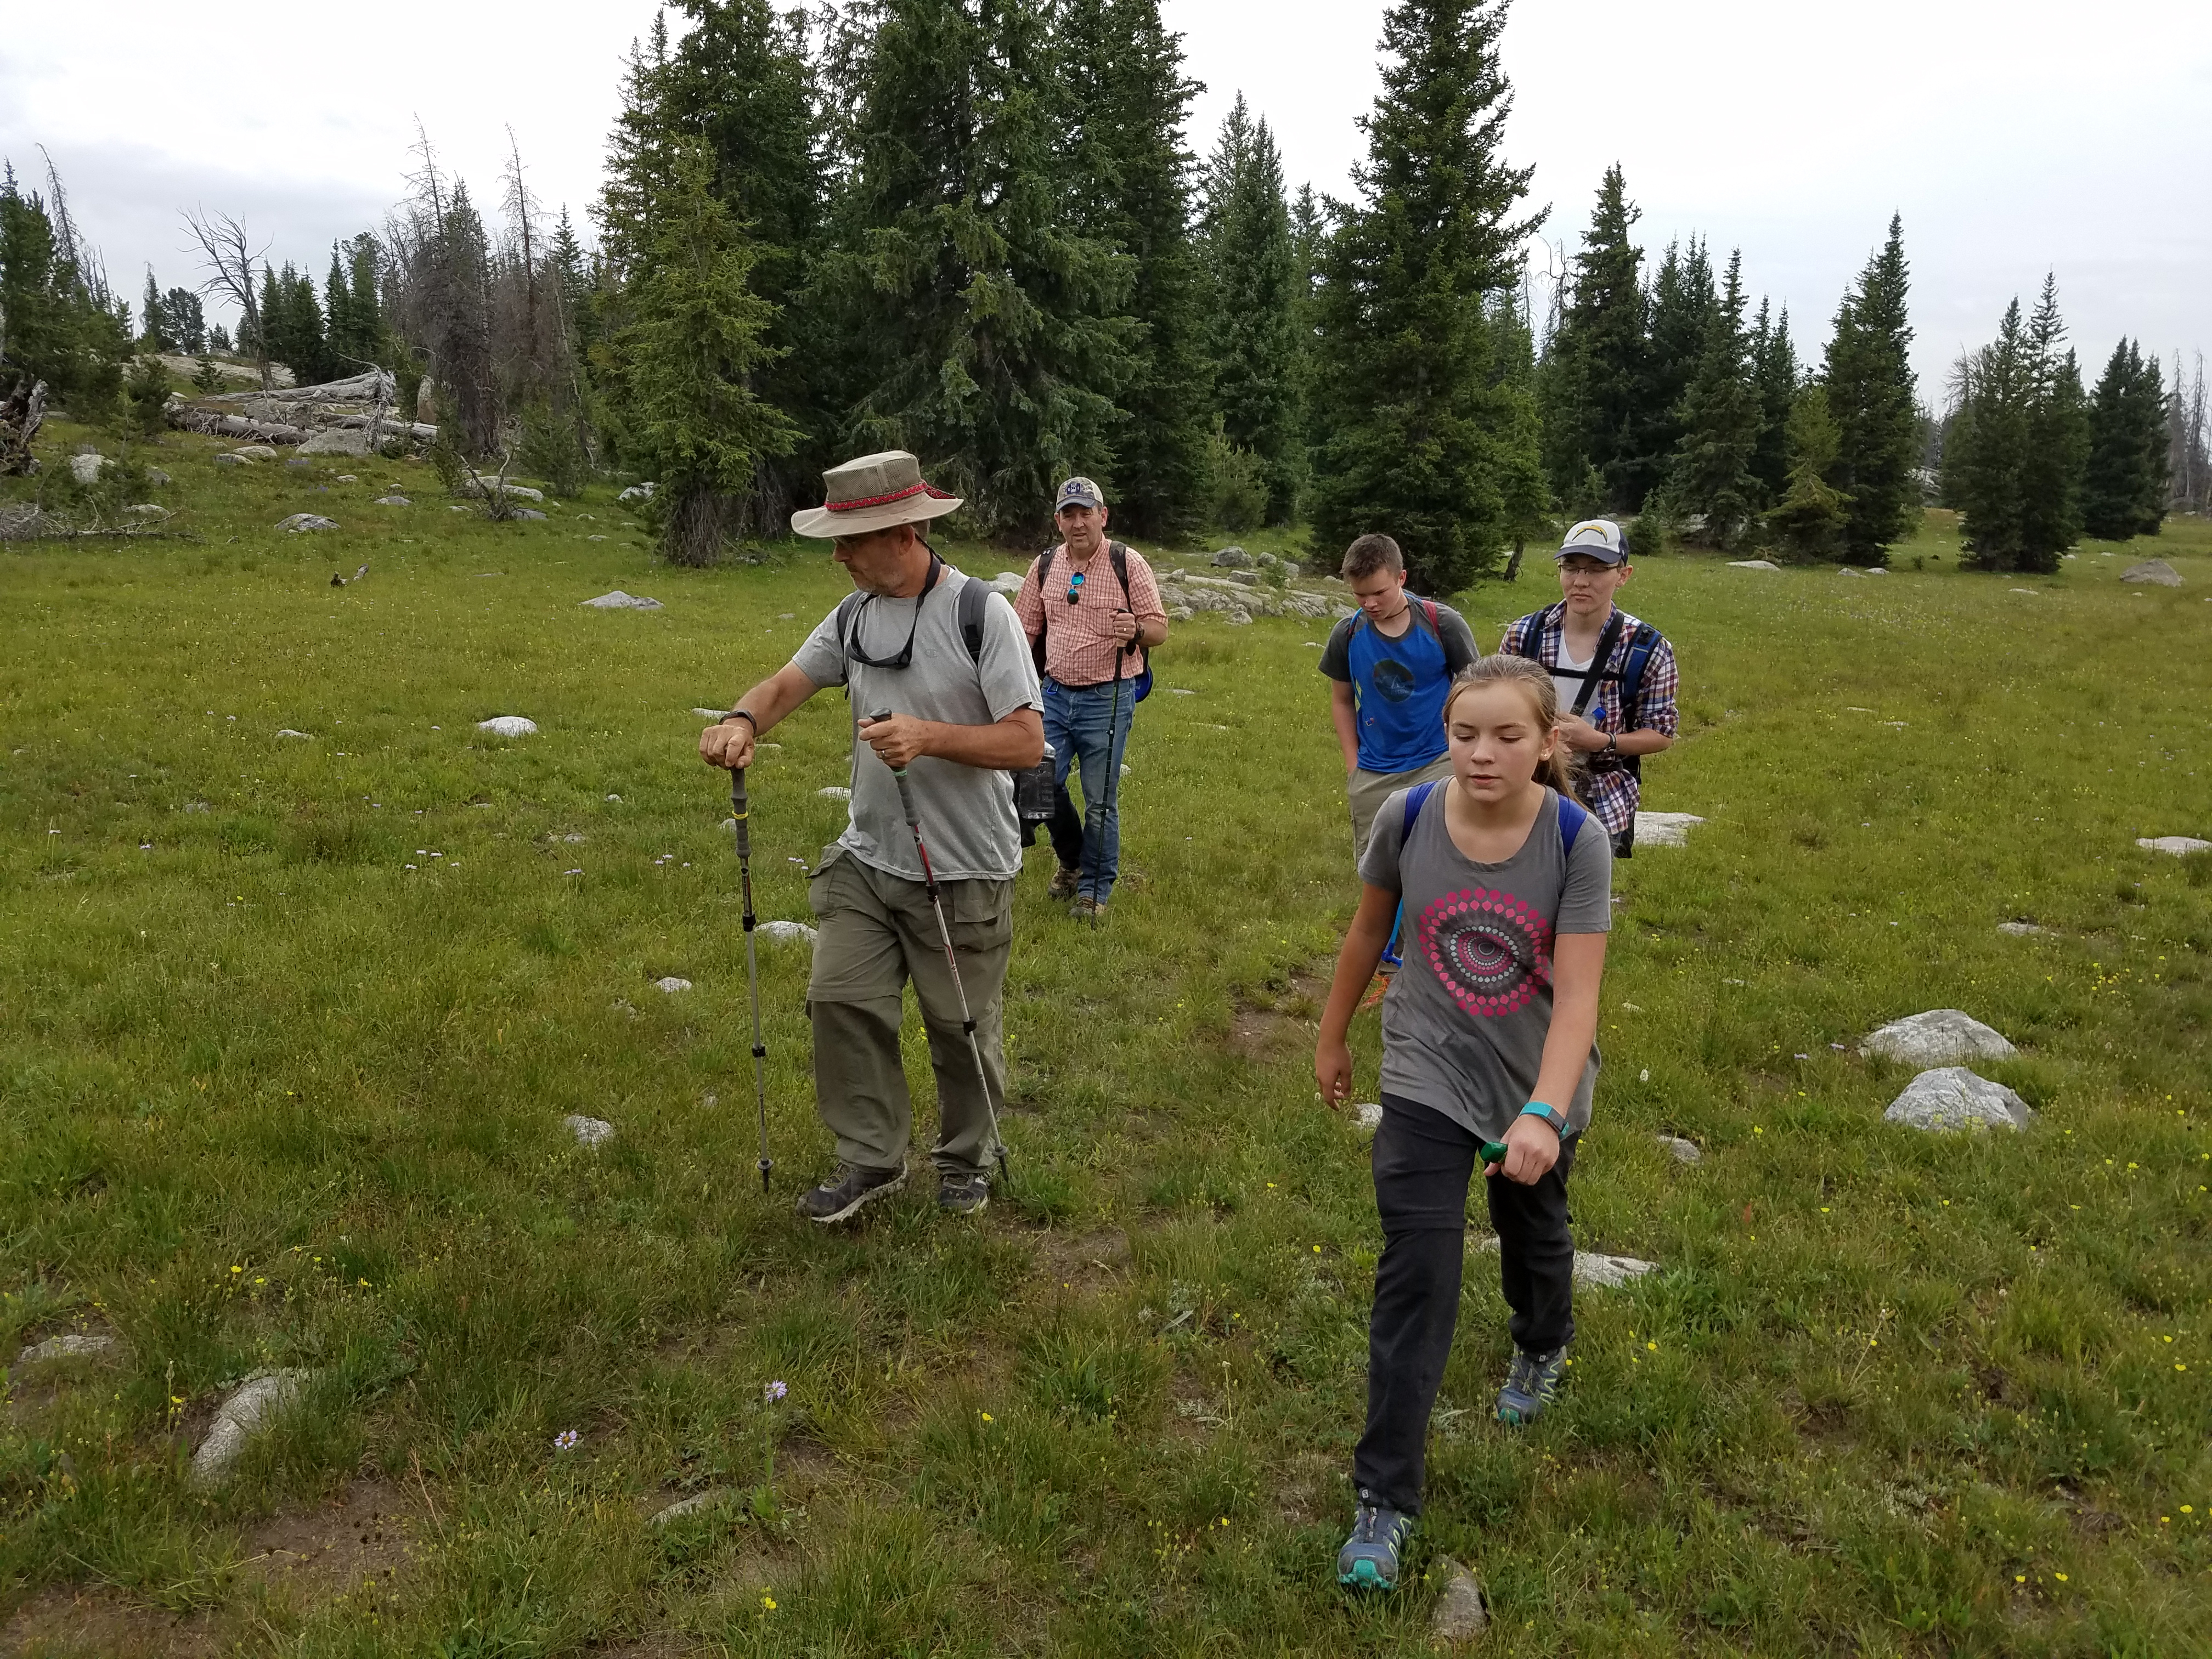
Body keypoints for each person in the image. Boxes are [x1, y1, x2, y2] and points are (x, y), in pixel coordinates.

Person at [1312, 656, 1612, 1592]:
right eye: (1465, 733)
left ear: (1546, 741)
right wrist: (1330, 1034)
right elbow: (1369, 929)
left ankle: (1540, 1340)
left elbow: (1577, 997)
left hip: (1533, 1073)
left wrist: (1541, 1111)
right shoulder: (1407, 815)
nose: (1482, 753)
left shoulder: (1575, 839)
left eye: (1508, 735)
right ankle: (1384, 1498)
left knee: (1535, 1231)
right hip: (1425, 1067)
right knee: (1418, 1274)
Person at [699, 451, 1045, 1223]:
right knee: (837, 999)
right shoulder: (853, 615)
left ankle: (966, 1160)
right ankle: (872, 1158)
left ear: (907, 531)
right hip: (870, 858)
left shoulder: (980, 614)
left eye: (853, 538)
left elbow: (1026, 744)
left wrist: (928, 736)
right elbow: (788, 683)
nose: (839, 553)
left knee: (960, 1027)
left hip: (965, 867)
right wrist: (742, 719)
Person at [1012, 476, 1169, 921]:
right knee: (1039, 782)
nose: (1077, 523)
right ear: (1057, 520)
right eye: (1069, 514)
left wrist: (1136, 630)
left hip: (1109, 696)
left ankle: (1094, 890)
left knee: (1100, 798)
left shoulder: (1127, 563)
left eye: (1086, 513)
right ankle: (1073, 859)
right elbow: (1024, 631)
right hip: (1055, 695)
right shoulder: (1045, 565)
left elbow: (1159, 627)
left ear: (1103, 516)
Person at [1500, 518, 1678, 860]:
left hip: (1603, 800)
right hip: (1525, 788)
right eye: (1571, 567)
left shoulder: (1648, 649)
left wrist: (1601, 742)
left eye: (1596, 569)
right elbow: (1496, 711)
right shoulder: (1525, 635)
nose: (1581, 581)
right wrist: (1543, 745)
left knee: (1583, 907)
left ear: (1623, 576)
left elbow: (1661, 734)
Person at [1318, 533, 1482, 864]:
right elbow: (1342, 700)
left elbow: (1476, 692)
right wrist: (1354, 767)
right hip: (1373, 772)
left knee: (1442, 864)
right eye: (1360, 595)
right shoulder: (1347, 634)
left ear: (1402, 578)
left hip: (1438, 763)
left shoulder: (1443, 624)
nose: (1370, 604)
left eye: (1379, 592)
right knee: (1379, 873)